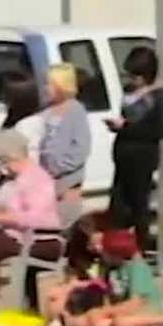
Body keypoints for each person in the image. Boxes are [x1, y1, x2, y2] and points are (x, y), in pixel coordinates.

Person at [0, 130, 63, 326]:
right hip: (13, 235)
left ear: (11, 156)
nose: (0, 167)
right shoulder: (11, 180)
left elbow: (34, 218)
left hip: (39, 239)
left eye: (1, 161)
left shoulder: (38, 180)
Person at [107, 47, 163, 252]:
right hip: (123, 154)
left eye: (137, 76)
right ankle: (116, 246)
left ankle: (140, 247)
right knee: (117, 203)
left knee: (138, 203)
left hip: (142, 155)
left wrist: (127, 127)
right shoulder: (129, 94)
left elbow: (157, 130)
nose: (133, 80)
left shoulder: (159, 96)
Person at [38, 63, 92, 228]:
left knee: (66, 223)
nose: (46, 88)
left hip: (68, 181)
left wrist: (59, 168)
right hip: (46, 180)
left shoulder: (76, 110)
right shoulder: (45, 112)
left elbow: (81, 148)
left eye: (50, 84)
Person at [0, 71, 45, 160]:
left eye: (6, 95)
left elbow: (30, 159)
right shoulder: (14, 119)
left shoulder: (27, 125)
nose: (2, 98)